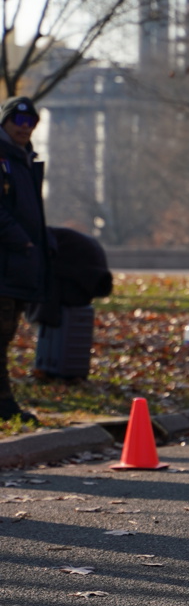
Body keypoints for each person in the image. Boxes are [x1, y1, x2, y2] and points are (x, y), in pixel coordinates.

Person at [0, 96, 48, 423]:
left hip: (18, 265)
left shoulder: (24, 160)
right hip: (6, 262)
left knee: (4, 337)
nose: (25, 127)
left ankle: (5, 406)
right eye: (18, 120)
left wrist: (42, 244)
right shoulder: (4, 158)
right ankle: (5, 407)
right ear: (4, 122)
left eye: (31, 122)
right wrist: (23, 240)